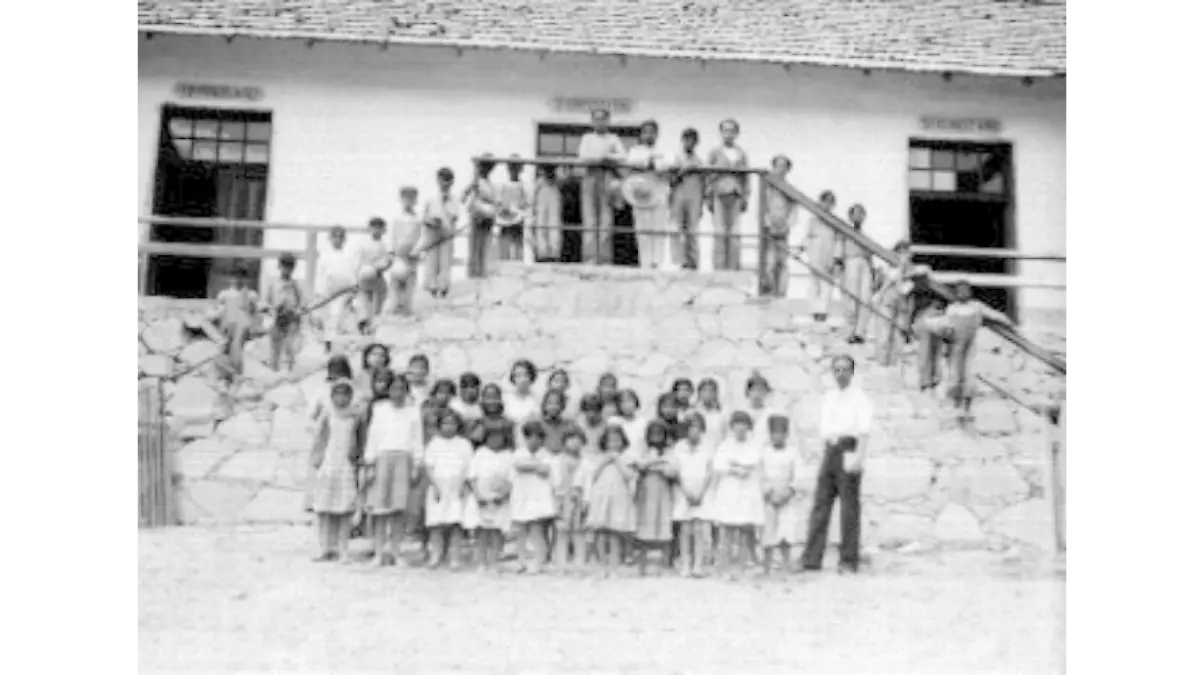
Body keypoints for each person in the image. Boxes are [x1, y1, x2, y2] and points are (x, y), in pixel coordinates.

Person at [801, 355, 873, 575]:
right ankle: (811, 559)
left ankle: (849, 561)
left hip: (848, 448)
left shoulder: (859, 397)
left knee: (849, 508)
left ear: (852, 372)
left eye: (845, 370)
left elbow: (864, 430)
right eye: (837, 370)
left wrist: (859, 458)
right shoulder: (830, 396)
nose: (840, 374)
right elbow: (826, 428)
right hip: (830, 450)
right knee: (821, 505)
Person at [362, 372, 423, 567]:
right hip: (382, 458)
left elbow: (417, 439)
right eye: (394, 388)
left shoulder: (413, 411)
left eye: (402, 389)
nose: (398, 393)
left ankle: (396, 551)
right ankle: (379, 552)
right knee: (380, 509)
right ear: (387, 390)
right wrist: (370, 463)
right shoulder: (380, 409)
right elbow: (373, 436)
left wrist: (416, 464)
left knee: (398, 509)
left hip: (403, 458)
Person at [311, 379, 365, 562]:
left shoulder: (355, 416)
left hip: (346, 465)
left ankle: (343, 549)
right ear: (332, 396)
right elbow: (320, 438)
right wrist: (317, 459)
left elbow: (360, 440)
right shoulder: (328, 415)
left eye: (345, 395)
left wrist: (357, 459)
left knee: (345, 509)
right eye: (337, 394)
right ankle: (324, 547)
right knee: (323, 508)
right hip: (329, 463)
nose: (341, 399)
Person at [944, 279, 1013, 413]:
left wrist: (1008, 322)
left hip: (970, 346)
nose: (963, 293)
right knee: (955, 374)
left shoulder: (976, 306)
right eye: (960, 291)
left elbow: (994, 315)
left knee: (969, 372)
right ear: (956, 292)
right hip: (956, 346)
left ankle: (967, 404)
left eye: (965, 290)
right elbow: (947, 327)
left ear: (969, 292)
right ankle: (955, 403)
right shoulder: (952, 308)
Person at [579, 424, 639, 577]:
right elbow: (592, 476)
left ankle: (613, 567)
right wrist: (605, 461)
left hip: (619, 499)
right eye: (610, 440)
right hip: (601, 498)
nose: (613, 444)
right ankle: (601, 566)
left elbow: (629, 476)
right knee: (600, 533)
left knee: (615, 534)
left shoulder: (628, 458)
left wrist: (617, 461)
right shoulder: (597, 458)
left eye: (617, 440)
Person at [712, 411, 764, 579]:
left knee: (743, 529)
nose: (740, 428)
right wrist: (734, 468)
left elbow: (754, 462)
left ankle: (742, 566)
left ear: (749, 427)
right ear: (732, 427)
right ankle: (723, 566)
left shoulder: (753, 445)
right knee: (726, 530)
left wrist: (737, 464)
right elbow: (719, 465)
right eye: (737, 424)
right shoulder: (725, 445)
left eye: (744, 424)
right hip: (729, 489)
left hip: (746, 491)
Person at [464, 417, 515, 573]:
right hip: (481, 498)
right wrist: (478, 495)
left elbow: (512, 480)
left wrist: (504, 494)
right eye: (492, 436)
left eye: (499, 436)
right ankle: (481, 561)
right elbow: (471, 477)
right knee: (481, 532)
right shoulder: (480, 454)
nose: (496, 440)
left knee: (496, 532)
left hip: (500, 500)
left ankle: (493, 561)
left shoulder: (508, 455)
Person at [423, 409, 473, 569]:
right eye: (445, 423)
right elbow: (429, 467)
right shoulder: (434, 443)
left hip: (457, 487)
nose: (449, 427)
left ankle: (455, 557)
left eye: (452, 423)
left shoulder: (464, 444)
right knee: (436, 524)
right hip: (438, 487)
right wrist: (435, 486)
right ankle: (436, 555)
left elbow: (468, 468)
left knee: (455, 524)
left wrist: (464, 486)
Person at [577, 108, 626, 265]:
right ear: (592, 121)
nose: (599, 122)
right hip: (590, 176)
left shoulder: (613, 138)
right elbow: (583, 156)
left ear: (608, 121)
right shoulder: (587, 138)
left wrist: (608, 158)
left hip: (607, 177)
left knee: (606, 220)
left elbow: (623, 156)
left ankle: (604, 259)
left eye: (602, 119)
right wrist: (600, 158)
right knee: (589, 219)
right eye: (596, 119)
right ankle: (590, 258)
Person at [625, 119, 673, 270]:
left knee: (658, 228)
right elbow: (633, 162)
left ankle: (657, 262)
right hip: (641, 195)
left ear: (657, 134)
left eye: (652, 132)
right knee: (642, 229)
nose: (648, 135)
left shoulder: (665, 150)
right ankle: (644, 263)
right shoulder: (634, 150)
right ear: (641, 134)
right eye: (645, 132)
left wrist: (651, 162)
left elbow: (668, 163)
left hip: (659, 194)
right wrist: (651, 161)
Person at [632, 419, 679, 575]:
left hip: (663, 494)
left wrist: (654, 465)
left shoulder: (671, 452)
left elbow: (672, 471)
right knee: (644, 527)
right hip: (646, 493)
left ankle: (664, 565)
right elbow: (640, 466)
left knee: (664, 527)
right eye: (653, 434)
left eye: (660, 434)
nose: (656, 437)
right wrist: (657, 463)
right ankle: (642, 565)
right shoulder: (643, 451)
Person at [510, 420, 556, 574]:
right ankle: (521, 561)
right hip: (522, 496)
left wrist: (532, 466)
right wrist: (535, 465)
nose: (534, 441)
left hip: (538, 497)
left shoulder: (546, 454)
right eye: (530, 437)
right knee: (520, 531)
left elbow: (545, 470)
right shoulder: (519, 453)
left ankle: (539, 562)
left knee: (537, 531)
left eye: (538, 437)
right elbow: (519, 465)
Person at [760, 415, 804, 575]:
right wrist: (769, 493)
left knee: (786, 530)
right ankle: (766, 566)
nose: (777, 436)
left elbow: (799, 475)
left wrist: (788, 492)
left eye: (781, 433)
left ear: (786, 434)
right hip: (770, 498)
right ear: (770, 434)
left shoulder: (793, 452)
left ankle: (786, 565)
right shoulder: (764, 452)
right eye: (774, 433)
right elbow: (761, 475)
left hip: (787, 497)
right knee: (768, 531)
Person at [672, 412, 713, 577]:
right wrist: (686, 491)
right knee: (685, 529)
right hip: (684, 492)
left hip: (702, 492)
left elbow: (710, 471)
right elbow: (676, 471)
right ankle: (685, 563)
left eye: (697, 427)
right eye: (689, 428)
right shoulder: (679, 447)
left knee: (699, 529)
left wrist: (701, 492)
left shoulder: (708, 446)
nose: (693, 431)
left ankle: (698, 564)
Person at [706, 118, 750, 271]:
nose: (728, 134)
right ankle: (719, 267)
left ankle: (733, 266)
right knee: (719, 231)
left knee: (735, 231)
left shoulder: (741, 153)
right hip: (719, 193)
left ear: (736, 133)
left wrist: (745, 197)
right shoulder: (715, 153)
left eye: (731, 131)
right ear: (721, 133)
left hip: (735, 194)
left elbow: (746, 178)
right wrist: (709, 197)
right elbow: (708, 176)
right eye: (725, 131)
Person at [211, 263, 260, 381]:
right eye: (235, 276)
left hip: (243, 330)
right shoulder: (224, 295)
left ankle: (236, 370)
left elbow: (255, 314)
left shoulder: (250, 295)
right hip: (228, 328)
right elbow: (218, 313)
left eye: (241, 277)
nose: (238, 279)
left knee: (239, 333)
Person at [314, 226, 358, 351]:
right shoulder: (325, 256)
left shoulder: (348, 256)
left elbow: (351, 273)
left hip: (344, 290)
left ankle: (342, 346)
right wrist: (319, 292)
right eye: (335, 237)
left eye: (340, 237)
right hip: (329, 291)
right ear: (330, 238)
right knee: (329, 317)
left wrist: (353, 288)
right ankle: (328, 345)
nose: (337, 240)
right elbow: (321, 274)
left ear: (344, 239)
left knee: (342, 316)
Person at [873, 240, 915, 366]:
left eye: (907, 253)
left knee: (897, 338)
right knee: (883, 337)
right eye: (902, 252)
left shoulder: (911, 270)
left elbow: (908, 290)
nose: (905, 256)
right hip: (887, 304)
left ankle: (893, 365)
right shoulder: (886, 268)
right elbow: (878, 284)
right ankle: (882, 364)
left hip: (901, 307)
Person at [668, 128, 705, 271]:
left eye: (693, 141)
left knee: (693, 231)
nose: (689, 143)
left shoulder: (699, 161)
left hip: (694, 198)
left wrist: (701, 204)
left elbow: (703, 183)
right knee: (676, 230)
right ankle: (678, 261)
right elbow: (670, 180)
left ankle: (693, 262)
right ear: (682, 140)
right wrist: (684, 170)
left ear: (696, 143)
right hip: (678, 196)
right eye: (687, 140)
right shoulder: (675, 158)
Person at [800, 191, 839, 322]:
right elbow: (806, 236)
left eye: (830, 203)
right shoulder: (813, 220)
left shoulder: (834, 222)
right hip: (815, 252)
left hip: (829, 253)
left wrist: (836, 258)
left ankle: (823, 310)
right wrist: (801, 248)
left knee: (827, 283)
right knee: (814, 283)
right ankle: (814, 310)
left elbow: (838, 241)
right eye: (825, 202)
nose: (827, 205)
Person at [908, 265, 949, 393]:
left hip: (932, 320)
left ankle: (932, 379)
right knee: (928, 350)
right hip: (927, 320)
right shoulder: (914, 293)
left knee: (932, 350)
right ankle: (928, 379)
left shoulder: (933, 292)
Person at [551, 427, 586, 572]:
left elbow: (587, 483)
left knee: (579, 533)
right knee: (561, 532)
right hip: (562, 498)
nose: (574, 443)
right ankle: (560, 564)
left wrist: (586, 500)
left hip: (580, 499)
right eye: (570, 440)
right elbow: (554, 480)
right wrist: (558, 497)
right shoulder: (557, 460)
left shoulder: (586, 462)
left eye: (578, 440)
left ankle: (579, 563)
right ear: (564, 442)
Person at [763, 155, 798, 298]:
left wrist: (788, 225)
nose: (780, 169)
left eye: (784, 166)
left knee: (782, 262)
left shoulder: (789, 189)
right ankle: (769, 291)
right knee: (769, 262)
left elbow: (794, 210)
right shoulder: (766, 187)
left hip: (783, 231)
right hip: (768, 230)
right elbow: (762, 207)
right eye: (778, 166)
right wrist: (767, 223)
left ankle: (781, 293)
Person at [840, 204, 875, 344]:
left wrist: (872, 270)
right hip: (851, 261)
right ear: (850, 216)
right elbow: (839, 252)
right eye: (856, 214)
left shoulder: (865, 236)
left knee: (866, 298)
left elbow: (870, 255)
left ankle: (861, 331)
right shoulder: (845, 232)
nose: (859, 217)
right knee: (851, 296)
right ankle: (850, 329)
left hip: (864, 263)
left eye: (861, 214)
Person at [263, 253, 304, 372]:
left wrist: (297, 311)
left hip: (291, 319)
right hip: (277, 318)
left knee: (290, 347)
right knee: (275, 348)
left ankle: (288, 372)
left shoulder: (295, 285)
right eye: (284, 266)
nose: (287, 270)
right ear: (279, 266)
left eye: (290, 267)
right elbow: (265, 301)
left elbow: (301, 302)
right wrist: (271, 309)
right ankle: (274, 371)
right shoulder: (273, 283)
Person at [423, 168, 459, 298]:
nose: (445, 184)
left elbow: (455, 217)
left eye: (448, 181)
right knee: (432, 260)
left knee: (445, 261)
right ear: (437, 181)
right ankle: (432, 288)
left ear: (452, 183)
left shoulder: (453, 200)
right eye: (442, 180)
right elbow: (424, 217)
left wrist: (445, 204)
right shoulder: (431, 199)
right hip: (433, 233)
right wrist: (431, 222)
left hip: (446, 233)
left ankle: (443, 288)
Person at [387, 186, 422, 314]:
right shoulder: (396, 218)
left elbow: (420, 236)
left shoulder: (418, 219)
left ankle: (407, 307)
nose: (408, 201)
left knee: (410, 281)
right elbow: (393, 235)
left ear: (415, 200)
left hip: (412, 254)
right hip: (399, 253)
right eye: (406, 198)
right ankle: (396, 305)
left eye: (411, 198)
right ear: (401, 199)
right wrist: (391, 251)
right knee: (397, 279)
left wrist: (419, 251)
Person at [464, 156, 499, 278]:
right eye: (485, 167)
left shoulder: (490, 184)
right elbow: (465, 196)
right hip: (478, 217)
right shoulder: (476, 182)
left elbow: (494, 200)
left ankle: (483, 271)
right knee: (475, 246)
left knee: (485, 247)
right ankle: (474, 272)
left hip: (487, 218)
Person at [355, 217, 390, 333]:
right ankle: (370, 318)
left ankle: (367, 318)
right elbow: (359, 261)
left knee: (370, 296)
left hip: (371, 274)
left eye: (379, 228)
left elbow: (386, 261)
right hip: (370, 273)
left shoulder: (381, 244)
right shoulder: (371, 244)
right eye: (374, 228)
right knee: (375, 294)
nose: (377, 231)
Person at [497, 157, 531, 262]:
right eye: (512, 168)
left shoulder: (523, 187)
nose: (514, 171)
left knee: (518, 251)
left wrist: (519, 211)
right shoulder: (502, 186)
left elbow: (527, 206)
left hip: (517, 222)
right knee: (504, 251)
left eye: (516, 168)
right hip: (505, 222)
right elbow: (498, 204)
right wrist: (503, 209)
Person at [532, 165, 563, 262]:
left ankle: (554, 252)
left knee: (554, 226)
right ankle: (542, 253)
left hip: (553, 206)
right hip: (542, 205)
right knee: (541, 225)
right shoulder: (539, 184)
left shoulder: (557, 184)